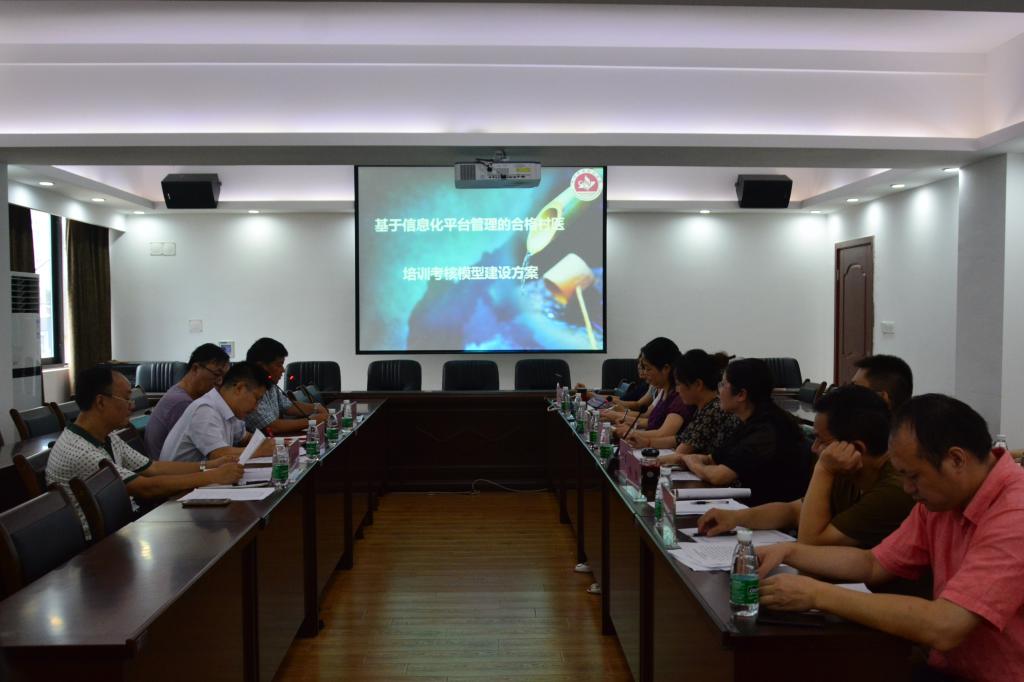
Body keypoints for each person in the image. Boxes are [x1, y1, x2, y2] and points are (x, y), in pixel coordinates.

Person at [757, 394, 1024, 682]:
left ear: (956, 459)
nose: (907, 488)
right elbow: (873, 563)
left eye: (913, 476)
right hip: (946, 670)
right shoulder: (943, 500)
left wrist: (817, 595)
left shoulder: (1015, 512)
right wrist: (789, 552)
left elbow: (946, 626)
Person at [697, 385, 914, 548]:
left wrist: (823, 470)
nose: (814, 448)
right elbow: (793, 511)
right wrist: (735, 518)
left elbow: (810, 543)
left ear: (856, 447)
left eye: (821, 440)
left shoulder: (894, 490)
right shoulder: (849, 470)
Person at [46, 366, 244, 538]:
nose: (132, 405)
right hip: (101, 541)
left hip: (122, 523)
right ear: (100, 402)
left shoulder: (106, 435)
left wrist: (209, 465)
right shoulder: (81, 452)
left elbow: (152, 468)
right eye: (126, 398)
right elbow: (145, 487)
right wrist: (212, 476)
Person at [679, 358, 811, 505]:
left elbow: (719, 476)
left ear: (741, 395)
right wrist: (685, 460)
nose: (718, 391)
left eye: (723, 385)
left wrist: (692, 462)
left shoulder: (766, 430)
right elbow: (712, 459)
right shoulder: (749, 421)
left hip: (769, 513)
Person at [160, 362, 277, 463]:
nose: (256, 407)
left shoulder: (228, 409)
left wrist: (271, 444)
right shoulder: (205, 410)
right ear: (239, 388)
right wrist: (259, 451)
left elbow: (245, 437)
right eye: (257, 399)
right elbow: (219, 454)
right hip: (180, 480)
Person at [632, 349, 737, 453]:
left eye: (678, 384)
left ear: (698, 384)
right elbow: (681, 439)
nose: (677, 390)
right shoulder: (704, 407)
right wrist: (647, 442)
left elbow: (681, 451)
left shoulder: (713, 411)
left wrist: (646, 443)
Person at [144, 343, 230, 456]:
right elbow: (213, 449)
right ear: (195, 368)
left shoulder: (184, 394)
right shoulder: (182, 403)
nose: (220, 382)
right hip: (169, 466)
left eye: (223, 377)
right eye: (216, 374)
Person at [612, 337, 690, 442]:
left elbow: (663, 434)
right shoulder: (663, 391)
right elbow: (651, 422)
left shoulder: (679, 395)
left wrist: (630, 432)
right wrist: (626, 422)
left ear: (666, 368)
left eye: (648, 368)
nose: (645, 373)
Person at [244, 337, 327, 434]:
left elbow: (288, 406)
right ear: (261, 367)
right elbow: (272, 427)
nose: (283, 370)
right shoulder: (248, 389)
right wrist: (311, 421)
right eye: (279, 365)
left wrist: (316, 407)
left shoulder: (271, 385)